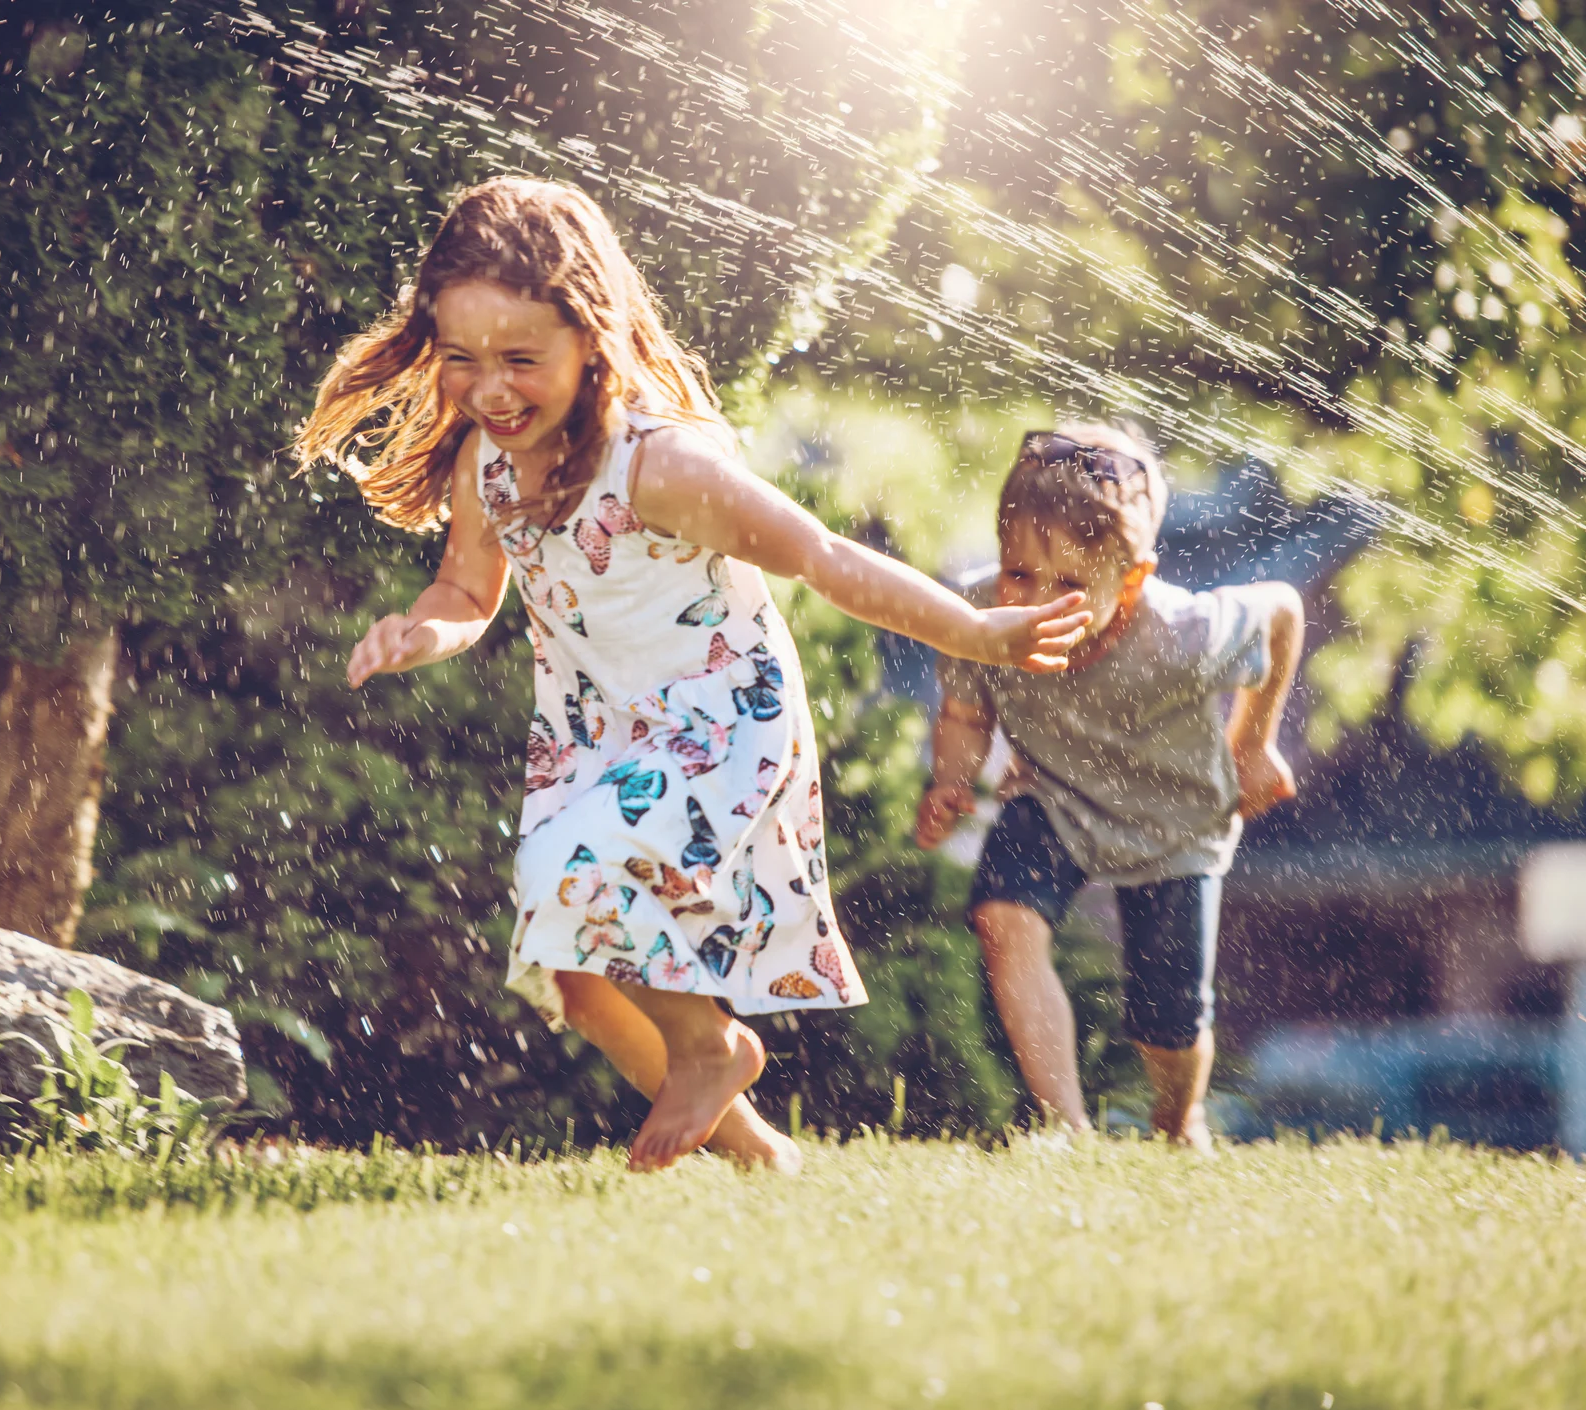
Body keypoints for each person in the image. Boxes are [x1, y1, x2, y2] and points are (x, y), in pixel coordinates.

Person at [297, 177, 1091, 1171]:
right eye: (461, 360)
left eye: (520, 360)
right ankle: (759, 1154)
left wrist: (975, 631)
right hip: (597, 736)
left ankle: (712, 1047)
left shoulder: (660, 466)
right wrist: (422, 631)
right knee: (574, 976)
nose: (490, 388)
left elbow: (822, 558)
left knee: (565, 876)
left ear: (590, 338)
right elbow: (466, 588)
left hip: (717, 721)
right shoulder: (486, 467)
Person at [915, 424, 1306, 1149]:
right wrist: (951, 776)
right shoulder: (980, 618)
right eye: (1017, 572)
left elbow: (1283, 607)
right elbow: (966, 711)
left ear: (1130, 581)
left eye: (1068, 584)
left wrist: (1252, 744)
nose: (1033, 601)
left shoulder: (1187, 632)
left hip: (1173, 825)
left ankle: (1176, 1119)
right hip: (1052, 797)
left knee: (1165, 1021)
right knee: (1003, 919)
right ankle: (1064, 1130)